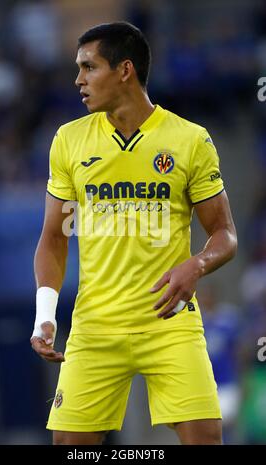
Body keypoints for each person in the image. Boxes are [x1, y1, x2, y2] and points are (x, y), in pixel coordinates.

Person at [30, 22, 237, 445]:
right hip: (96, 326)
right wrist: (46, 316)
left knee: (207, 439)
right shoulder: (68, 141)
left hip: (170, 323)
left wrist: (196, 266)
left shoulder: (189, 140)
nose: (78, 80)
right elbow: (54, 236)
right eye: (78, 68)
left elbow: (225, 234)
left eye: (89, 67)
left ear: (125, 70)